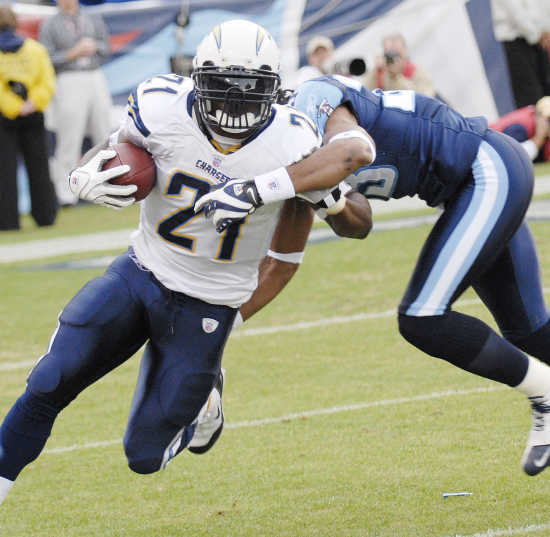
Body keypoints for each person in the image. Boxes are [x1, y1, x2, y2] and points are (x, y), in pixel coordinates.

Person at [0, 20, 372, 506]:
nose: (235, 105)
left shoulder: (292, 141)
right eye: (224, 89)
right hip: (141, 273)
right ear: (197, 80)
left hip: (208, 304)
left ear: (273, 92)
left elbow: (360, 222)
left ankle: (207, 403)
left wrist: (323, 197)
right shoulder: (160, 105)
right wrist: (87, 171)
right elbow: (115, 149)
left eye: (250, 91)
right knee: (50, 379)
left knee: (144, 455)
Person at [196, 74, 550, 477]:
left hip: (487, 168)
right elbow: (314, 246)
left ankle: (544, 392)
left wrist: (257, 190)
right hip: (468, 189)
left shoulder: (312, 100)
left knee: (423, 318)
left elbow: (352, 153)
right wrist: (218, 329)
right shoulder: (292, 171)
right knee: (530, 333)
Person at [39, 0, 113, 206]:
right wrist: (72, 53)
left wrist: (94, 47)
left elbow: (106, 46)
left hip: (94, 75)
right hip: (68, 79)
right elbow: (46, 57)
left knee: (104, 134)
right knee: (69, 138)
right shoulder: (50, 24)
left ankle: (108, 187)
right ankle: (66, 194)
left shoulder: (92, 17)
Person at [0, 5, 57, 231]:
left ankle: (7, 221)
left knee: (5, 171)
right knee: (39, 167)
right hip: (34, 113)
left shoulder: (35, 49)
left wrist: (13, 107)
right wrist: (32, 102)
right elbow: (48, 80)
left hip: (4, 117)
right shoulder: (35, 49)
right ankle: (45, 217)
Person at [490, 0, 550, 109]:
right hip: (516, 40)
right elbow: (515, 11)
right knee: (531, 99)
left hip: (541, 37)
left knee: (547, 91)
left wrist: (545, 30)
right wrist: (536, 34)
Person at [363, 33, 436, 97]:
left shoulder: (419, 73)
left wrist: (396, 77)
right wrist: (375, 71)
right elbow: (365, 95)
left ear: (405, 51)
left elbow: (421, 101)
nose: (394, 58)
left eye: (396, 52)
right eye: (389, 53)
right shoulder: (381, 74)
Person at [490, 95, 550, 162]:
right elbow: (515, 158)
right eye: (549, 119)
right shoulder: (518, 129)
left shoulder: (535, 124)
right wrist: (539, 137)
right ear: (537, 115)